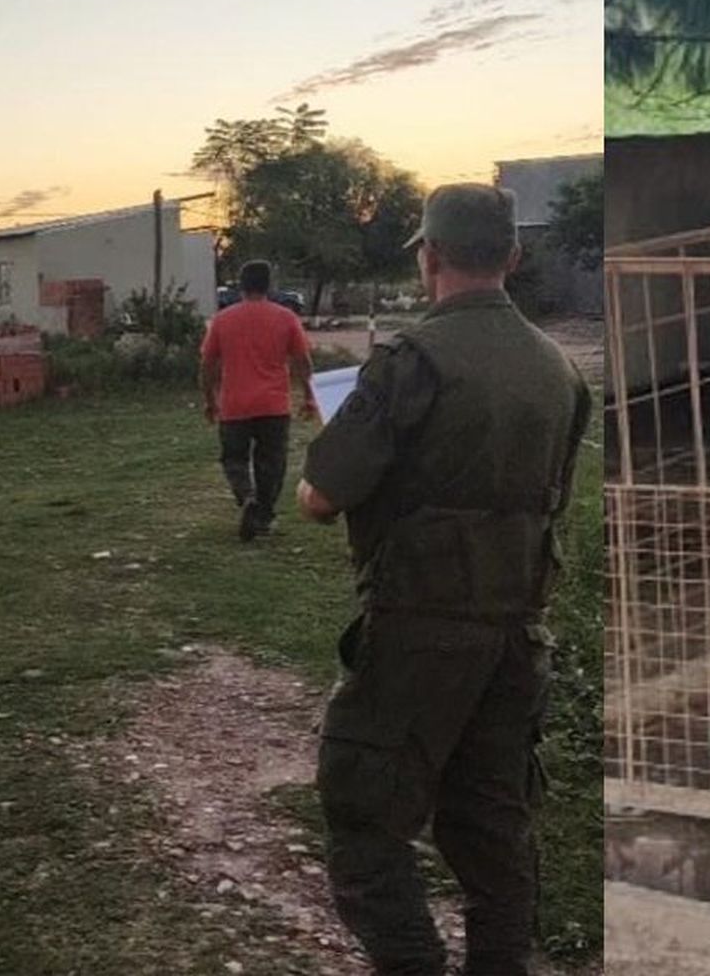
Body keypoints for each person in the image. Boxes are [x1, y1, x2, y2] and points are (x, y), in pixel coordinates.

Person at [296, 183, 592, 976]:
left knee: (364, 821)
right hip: (517, 629)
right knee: (493, 831)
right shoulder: (560, 369)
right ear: (515, 256)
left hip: (419, 627)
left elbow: (322, 496)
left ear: (428, 256)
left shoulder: (412, 359)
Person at [200, 260, 316, 541]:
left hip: (235, 405)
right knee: (272, 463)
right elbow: (302, 360)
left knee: (234, 459)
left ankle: (246, 497)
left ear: (241, 285)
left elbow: (208, 363)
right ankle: (263, 516)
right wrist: (309, 395)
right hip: (273, 405)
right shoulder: (286, 318)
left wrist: (210, 399)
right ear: (269, 285)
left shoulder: (223, 320)